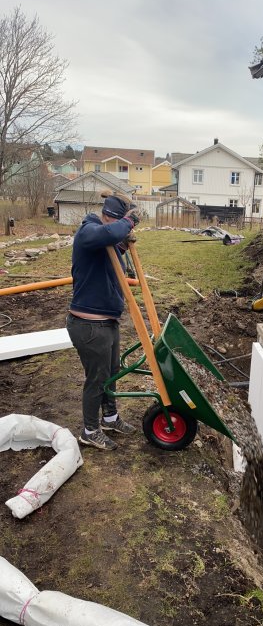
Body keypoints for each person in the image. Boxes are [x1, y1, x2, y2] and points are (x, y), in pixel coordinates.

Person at [66, 193, 139, 451]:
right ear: (107, 216)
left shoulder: (105, 239)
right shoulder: (88, 231)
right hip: (88, 325)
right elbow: (105, 236)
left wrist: (121, 243)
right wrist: (128, 224)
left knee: (112, 372)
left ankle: (109, 418)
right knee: (96, 379)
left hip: (108, 322)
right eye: (117, 223)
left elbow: (109, 248)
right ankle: (90, 430)